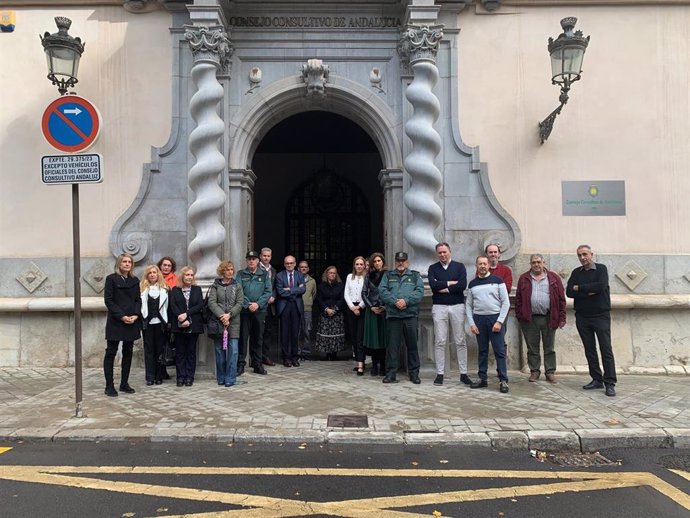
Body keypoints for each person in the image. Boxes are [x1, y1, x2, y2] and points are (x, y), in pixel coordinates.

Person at [566, 245, 617, 397]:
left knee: (606, 349)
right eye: (579, 255)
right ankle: (596, 379)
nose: (582, 258)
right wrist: (589, 291)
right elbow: (569, 292)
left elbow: (601, 286)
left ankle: (610, 382)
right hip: (582, 317)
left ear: (591, 254)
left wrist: (579, 289)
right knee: (590, 350)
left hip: (600, 315)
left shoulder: (601, 269)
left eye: (584, 254)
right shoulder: (576, 272)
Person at [515, 254, 566, 383]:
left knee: (549, 347)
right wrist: (520, 316)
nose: (536, 264)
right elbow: (519, 300)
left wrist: (562, 317)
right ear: (530, 264)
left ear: (543, 263)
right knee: (532, 348)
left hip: (549, 317)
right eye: (533, 262)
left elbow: (561, 299)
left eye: (538, 262)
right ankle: (535, 371)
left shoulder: (553, 278)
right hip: (530, 319)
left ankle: (550, 372)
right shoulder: (524, 278)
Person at [428, 242, 472, 386]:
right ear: (437, 254)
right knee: (440, 341)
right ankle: (440, 373)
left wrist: (444, 286)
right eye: (440, 252)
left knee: (460, 340)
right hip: (439, 306)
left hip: (457, 306)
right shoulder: (433, 268)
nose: (442, 254)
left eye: (444, 252)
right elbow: (433, 286)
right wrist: (450, 283)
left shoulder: (459, 267)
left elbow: (462, 285)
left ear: (450, 252)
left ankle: (463, 373)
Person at [466, 255, 510, 393]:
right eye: (480, 264)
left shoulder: (498, 281)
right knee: (482, 350)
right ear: (476, 266)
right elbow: (468, 305)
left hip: (495, 319)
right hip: (479, 320)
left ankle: (503, 380)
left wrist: (499, 321)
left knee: (499, 351)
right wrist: (472, 323)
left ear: (488, 265)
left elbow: (506, 302)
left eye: (485, 264)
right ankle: (482, 379)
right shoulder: (472, 284)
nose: (483, 266)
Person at [379, 251, 424, 384]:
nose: (400, 262)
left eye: (403, 260)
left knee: (412, 346)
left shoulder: (415, 276)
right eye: (398, 260)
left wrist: (406, 301)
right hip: (393, 315)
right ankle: (391, 374)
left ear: (407, 262)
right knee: (392, 346)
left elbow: (419, 292)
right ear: (395, 261)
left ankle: (414, 374)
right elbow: (382, 291)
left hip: (410, 315)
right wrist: (395, 301)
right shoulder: (388, 275)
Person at [103, 253, 141, 397]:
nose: (127, 264)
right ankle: (109, 385)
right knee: (111, 352)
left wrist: (135, 315)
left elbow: (138, 300)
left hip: (131, 321)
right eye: (124, 261)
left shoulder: (135, 280)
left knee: (128, 352)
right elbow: (109, 300)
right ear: (119, 263)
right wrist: (122, 316)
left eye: (129, 262)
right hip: (116, 321)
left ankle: (124, 383)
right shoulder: (111, 279)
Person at [208, 260, 243, 387]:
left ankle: (230, 378)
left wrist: (229, 315)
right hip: (219, 323)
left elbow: (240, 303)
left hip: (233, 322)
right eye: (227, 269)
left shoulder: (237, 285)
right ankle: (221, 377)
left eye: (231, 269)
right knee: (219, 351)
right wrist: (222, 315)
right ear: (222, 271)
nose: (230, 272)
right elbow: (212, 302)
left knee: (233, 351)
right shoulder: (215, 285)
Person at [237, 250, 272, 375]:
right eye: (249, 259)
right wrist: (248, 304)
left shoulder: (264, 275)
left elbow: (268, 292)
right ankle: (240, 364)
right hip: (245, 311)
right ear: (246, 261)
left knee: (258, 338)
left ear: (258, 261)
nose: (251, 261)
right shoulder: (241, 274)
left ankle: (257, 364)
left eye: (254, 259)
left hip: (260, 311)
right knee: (243, 338)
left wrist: (258, 304)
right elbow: (238, 291)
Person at [169, 266, 204, 387]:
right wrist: (180, 316)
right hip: (179, 325)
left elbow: (199, 305)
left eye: (191, 275)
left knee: (191, 352)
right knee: (180, 352)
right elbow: (172, 305)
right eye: (187, 275)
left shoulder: (197, 289)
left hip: (193, 324)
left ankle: (189, 376)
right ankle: (180, 376)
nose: (189, 277)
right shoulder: (175, 289)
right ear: (182, 276)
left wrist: (186, 315)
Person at [139, 264, 169, 386]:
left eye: (154, 272)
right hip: (148, 324)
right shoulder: (142, 290)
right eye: (150, 273)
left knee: (160, 350)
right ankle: (150, 376)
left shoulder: (165, 290)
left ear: (158, 275)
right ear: (147, 275)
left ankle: (159, 375)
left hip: (161, 324)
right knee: (149, 351)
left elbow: (169, 308)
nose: (152, 275)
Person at [275, 255, 306, 367]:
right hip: (284, 306)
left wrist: (289, 289)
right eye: (287, 263)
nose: (289, 265)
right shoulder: (279, 276)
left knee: (295, 333)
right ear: (284, 264)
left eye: (291, 263)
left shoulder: (299, 275)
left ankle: (295, 357)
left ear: (295, 264)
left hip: (296, 306)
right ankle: (286, 358)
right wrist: (295, 290)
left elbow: (303, 289)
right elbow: (280, 292)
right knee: (285, 333)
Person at [362, 252, 387, 376]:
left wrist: (383, 306)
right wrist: (371, 307)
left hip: (384, 310)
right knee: (373, 339)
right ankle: (374, 364)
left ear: (383, 261)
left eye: (379, 261)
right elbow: (364, 293)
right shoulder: (368, 276)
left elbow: (391, 291)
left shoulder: (388, 275)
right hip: (371, 310)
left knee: (383, 338)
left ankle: (383, 365)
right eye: (375, 261)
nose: (377, 263)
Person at [314, 266, 346, 359]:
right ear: (326, 274)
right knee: (326, 334)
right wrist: (326, 309)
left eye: (334, 273)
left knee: (335, 334)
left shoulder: (340, 285)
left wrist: (335, 309)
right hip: (325, 313)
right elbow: (319, 299)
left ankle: (334, 354)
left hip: (337, 313)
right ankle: (327, 353)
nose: (332, 275)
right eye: (330, 273)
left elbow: (342, 299)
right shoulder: (321, 286)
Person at [345, 256, 367, 375]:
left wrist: (360, 307)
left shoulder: (366, 278)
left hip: (362, 309)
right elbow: (346, 294)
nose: (359, 266)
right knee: (353, 337)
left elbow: (367, 294)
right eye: (357, 264)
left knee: (360, 338)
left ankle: (360, 364)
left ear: (364, 266)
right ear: (354, 265)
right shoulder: (349, 277)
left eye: (361, 264)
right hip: (351, 308)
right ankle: (359, 361)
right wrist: (352, 307)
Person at [156, 256, 177, 380]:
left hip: (170, 315)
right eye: (164, 265)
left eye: (169, 265)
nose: (166, 267)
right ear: (160, 266)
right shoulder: (154, 277)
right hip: (157, 316)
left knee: (168, 344)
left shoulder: (175, 279)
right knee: (159, 344)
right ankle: (159, 370)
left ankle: (165, 368)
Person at [259, 247, 278, 366]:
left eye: (268, 256)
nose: (266, 258)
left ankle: (265, 356)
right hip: (259, 306)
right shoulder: (256, 268)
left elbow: (276, 286)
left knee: (268, 332)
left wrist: (274, 296)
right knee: (257, 332)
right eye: (264, 256)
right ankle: (255, 358)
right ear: (260, 256)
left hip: (270, 307)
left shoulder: (274, 270)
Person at [298, 260, 316, 360]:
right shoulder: (295, 279)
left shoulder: (312, 281)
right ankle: (296, 352)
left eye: (305, 267)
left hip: (307, 309)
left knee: (307, 331)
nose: (303, 268)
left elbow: (314, 294)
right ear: (298, 268)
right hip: (296, 308)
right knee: (296, 331)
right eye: (301, 267)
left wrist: (308, 302)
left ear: (308, 269)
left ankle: (306, 352)